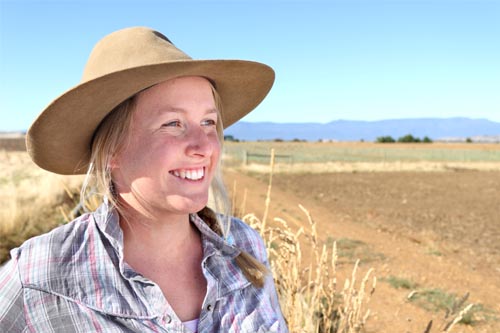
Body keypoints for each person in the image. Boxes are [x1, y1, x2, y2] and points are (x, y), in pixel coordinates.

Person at [0, 26, 287, 332]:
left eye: (208, 121)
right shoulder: (39, 276)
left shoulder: (244, 247)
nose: (204, 146)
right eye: (173, 123)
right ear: (112, 151)